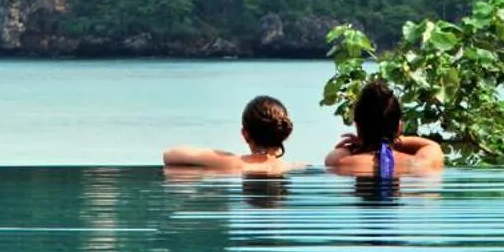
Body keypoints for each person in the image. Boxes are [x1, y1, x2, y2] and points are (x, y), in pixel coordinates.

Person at [324, 78, 445, 176]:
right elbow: (432, 145)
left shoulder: (338, 162)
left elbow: (337, 152)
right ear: (399, 127)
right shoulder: (423, 163)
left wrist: (361, 143)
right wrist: (391, 140)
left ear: (358, 126)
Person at [162, 95, 300, 174]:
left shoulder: (231, 163)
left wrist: (223, 155)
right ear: (286, 134)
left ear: (245, 134)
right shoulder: (296, 167)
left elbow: (170, 155)